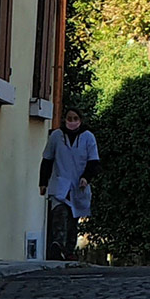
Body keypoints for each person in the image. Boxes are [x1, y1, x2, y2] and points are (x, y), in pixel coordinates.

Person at [38, 107, 100, 260]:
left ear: (80, 120)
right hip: (59, 182)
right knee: (59, 213)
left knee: (73, 219)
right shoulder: (56, 137)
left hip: (79, 185)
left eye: (75, 119)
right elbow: (47, 159)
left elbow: (94, 162)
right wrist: (43, 182)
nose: (71, 122)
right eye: (69, 118)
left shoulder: (88, 137)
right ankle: (57, 245)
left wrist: (86, 177)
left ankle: (69, 250)